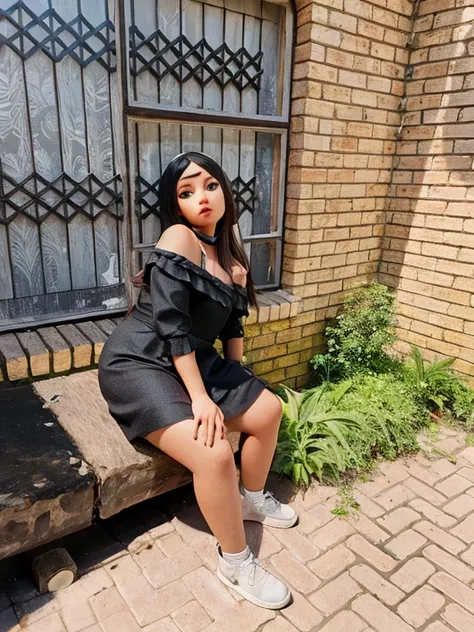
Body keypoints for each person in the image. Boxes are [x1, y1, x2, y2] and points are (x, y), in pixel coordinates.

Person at [98, 151, 297, 609]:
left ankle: (249, 499)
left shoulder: (228, 254)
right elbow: (170, 326)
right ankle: (235, 560)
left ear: (226, 190)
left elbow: (230, 327)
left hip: (189, 357)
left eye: (209, 185)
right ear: (176, 206)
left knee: (269, 409)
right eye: (185, 192)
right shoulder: (178, 239)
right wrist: (203, 399)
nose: (201, 198)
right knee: (214, 454)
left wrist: (239, 376)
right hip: (140, 360)